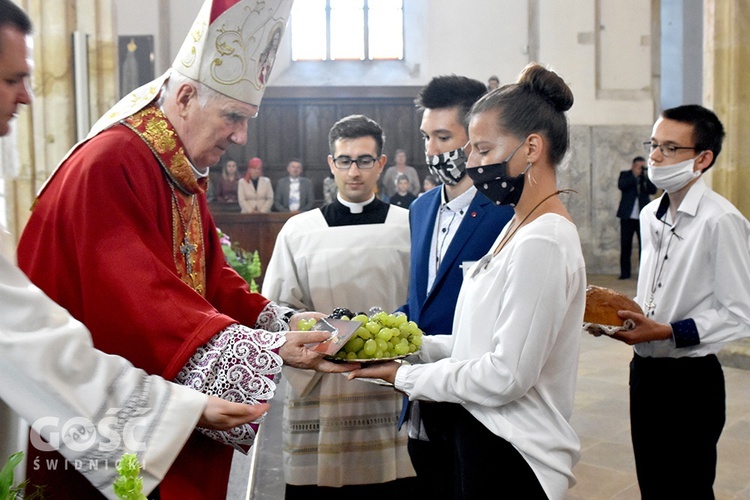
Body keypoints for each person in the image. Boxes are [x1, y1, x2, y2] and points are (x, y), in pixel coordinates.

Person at [15, 1, 354, 498]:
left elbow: (210, 280)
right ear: (186, 96)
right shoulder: (112, 163)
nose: (241, 137)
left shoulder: (174, 167)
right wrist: (263, 350)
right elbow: (138, 300)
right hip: (101, 422)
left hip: (160, 406)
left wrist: (281, 325)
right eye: (233, 117)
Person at [350, 63, 586, 499]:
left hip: (515, 449)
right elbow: (475, 343)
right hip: (481, 434)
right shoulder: (521, 226)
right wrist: (404, 347)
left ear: (531, 147)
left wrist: (403, 377)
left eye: (481, 148)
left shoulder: (545, 239)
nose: (472, 164)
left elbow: (505, 375)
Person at [262, 114, 415, 498]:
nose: (354, 171)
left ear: (381, 163)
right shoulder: (299, 231)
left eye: (365, 160)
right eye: (344, 160)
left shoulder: (409, 226)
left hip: (391, 382)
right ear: (331, 164)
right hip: (322, 385)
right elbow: (277, 308)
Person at [611, 104, 750, 499]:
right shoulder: (652, 213)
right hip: (646, 374)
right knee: (653, 485)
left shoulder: (721, 220)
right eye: (654, 145)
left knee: (686, 489)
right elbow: (655, 290)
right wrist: (625, 316)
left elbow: (740, 313)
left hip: (691, 382)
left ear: (703, 158)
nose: (655, 157)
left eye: (670, 148)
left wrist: (671, 331)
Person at [397, 74, 513, 497]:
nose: (431, 150)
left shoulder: (506, 212)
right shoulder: (420, 208)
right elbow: (420, 300)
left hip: (474, 402)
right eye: (426, 137)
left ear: (475, 137)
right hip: (420, 401)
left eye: (443, 137)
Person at [616, 156, 656, 279]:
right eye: (639, 167)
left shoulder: (645, 178)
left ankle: (643, 274)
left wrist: (646, 176)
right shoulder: (625, 175)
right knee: (625, 245)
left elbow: (653, 190)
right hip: (627, 217)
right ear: (633, 166)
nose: (641, 169)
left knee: (643, 246)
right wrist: (634, 176)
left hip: (642, 218)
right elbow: (622, 185)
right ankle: (625, 273)